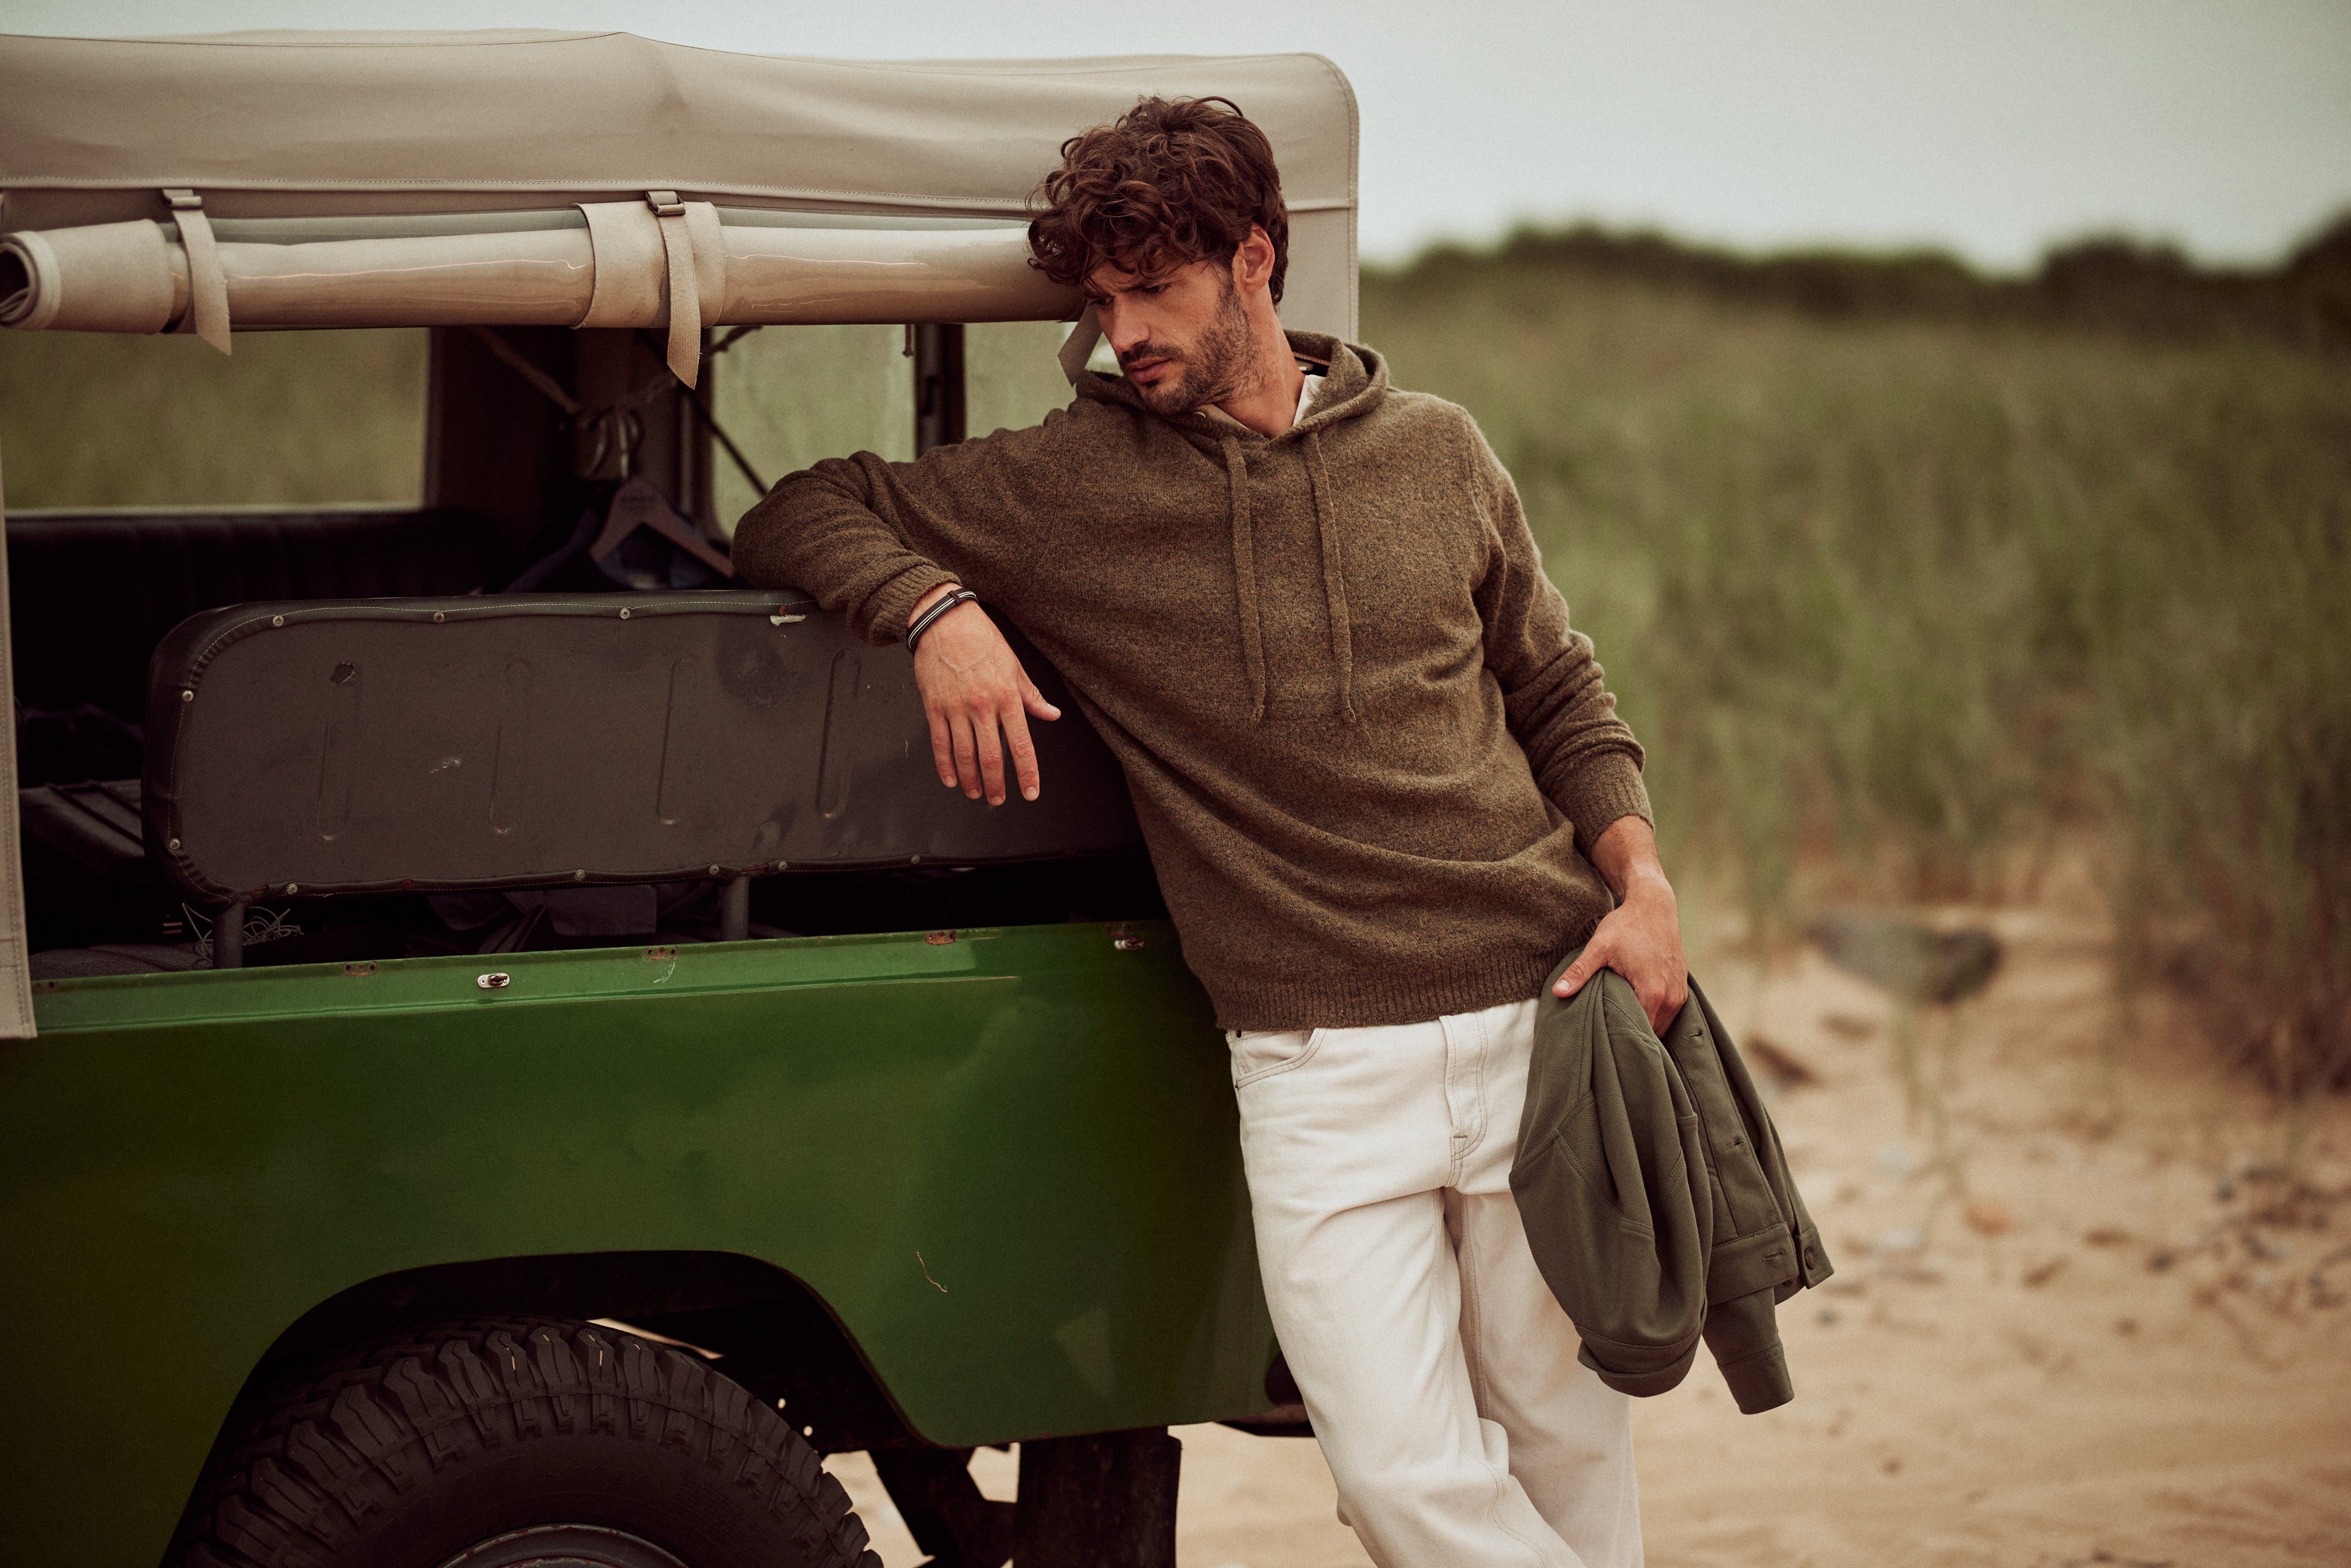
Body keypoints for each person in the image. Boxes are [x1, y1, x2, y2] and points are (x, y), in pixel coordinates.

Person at [734, 95, 1687, 1568]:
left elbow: (1556, 687)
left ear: (1256, 262)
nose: (1125, 333)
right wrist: (937, 611)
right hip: (1314, 1063)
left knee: (1568, 1448)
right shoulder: (1071, 486)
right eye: (1101, 301)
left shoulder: (1437, 451)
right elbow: (806, 506)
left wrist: (1644, 880)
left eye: (1153, 291)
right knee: (1401, 1485)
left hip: (1537, 1009)